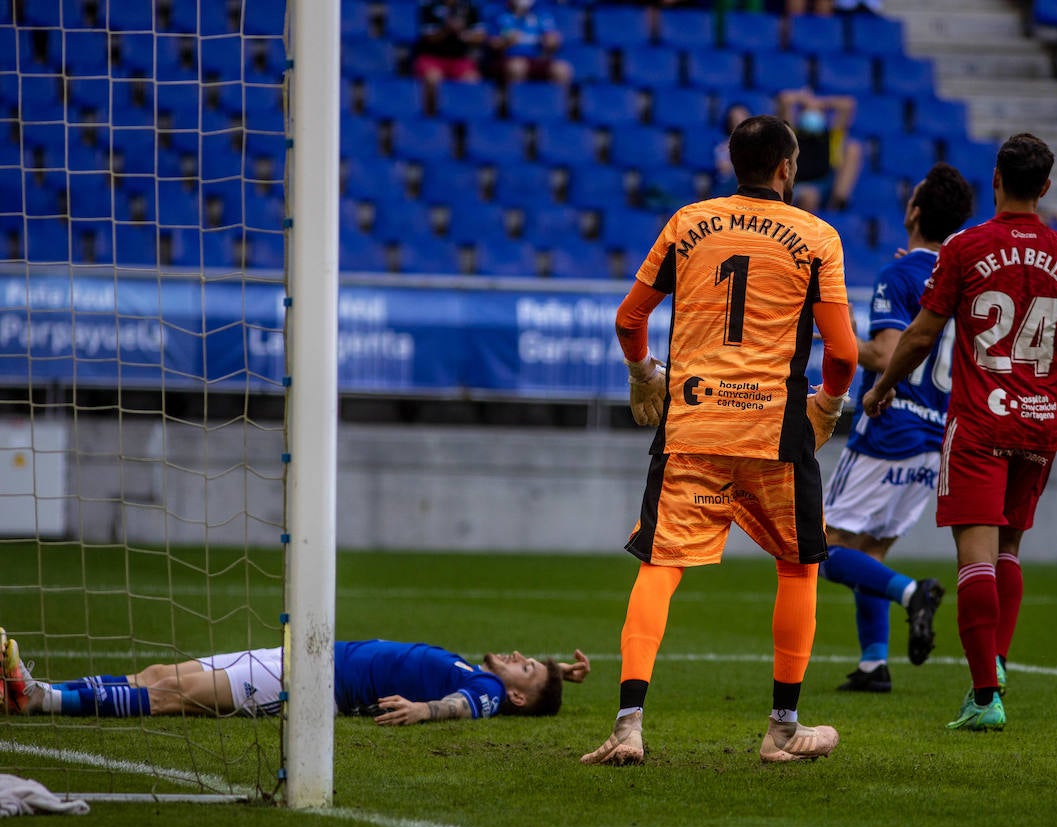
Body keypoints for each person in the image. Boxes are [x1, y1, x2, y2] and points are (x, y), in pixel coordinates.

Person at [582, 114, 859, 765]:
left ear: (734, 164)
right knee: (798, 566)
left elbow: (629, 319)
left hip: (693, 423)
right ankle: (782, 730)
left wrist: (643, 373)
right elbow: (844, 353)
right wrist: (826, 406)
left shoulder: (687, 223)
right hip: (775, 430)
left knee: (661, 566)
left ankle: (627, 726)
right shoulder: (817, 235)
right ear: (786, 168)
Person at [861, 133, 1057, 731]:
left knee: (974, 557)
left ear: (997, 179)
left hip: (981, 422)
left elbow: (920, 336)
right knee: (1009, 550)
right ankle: (998, 660)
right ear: (1046, 187)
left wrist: (882, 388)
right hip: (1039, 423)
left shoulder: (966, 247)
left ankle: (984, 696)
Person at [819, 164, 974, 694]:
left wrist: (839, 336)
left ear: (914, 212)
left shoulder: (900, 274)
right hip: (937, 436)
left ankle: (912, 594)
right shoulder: (963, 279)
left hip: (890, 426)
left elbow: (886, 355)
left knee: (823, 546)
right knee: (870, 551)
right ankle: (873, 665)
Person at [1, 627, 590, 724]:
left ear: (515, 694)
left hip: (308, 683)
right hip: (301, 657)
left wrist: (424, 710)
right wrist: (556, 672)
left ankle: (41, 700)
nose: (520, 654)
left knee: (172, 695)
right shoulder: (486, 676)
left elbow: (465, 706)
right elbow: (523, 684)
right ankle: (36, 690)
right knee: (157, 672)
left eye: (526, 666)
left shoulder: (486, 691)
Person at [778, 87, 865, 212]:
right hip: (798, 185)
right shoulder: (792, 134)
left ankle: (837, 204)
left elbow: (848, 105)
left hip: (824, 184)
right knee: (809, 196)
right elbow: (784, 100)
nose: (812, 114)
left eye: (817, 112)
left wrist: (822, 103)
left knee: (853, 148)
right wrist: (803, 99)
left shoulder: (832, 136)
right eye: (808, 111)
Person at [412, 1, 488, 111]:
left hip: (459, 59)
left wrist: (463, 34)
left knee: (472, 80)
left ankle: (463, 116)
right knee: (433, 78)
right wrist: (446, 30)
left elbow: (480, 36)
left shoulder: (469, 7)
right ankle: (431, 116)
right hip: (432, 57)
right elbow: (429, 37)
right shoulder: (429, 6)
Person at [488, 0, 572, 85]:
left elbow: (553, 39)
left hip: (538, 59)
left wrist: (552, 41)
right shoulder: (499, 15)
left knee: (561, 69)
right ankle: (516, 93)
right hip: (509, 58)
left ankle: (557, 94)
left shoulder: (541, 15)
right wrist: (506, 42)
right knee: (517, 67)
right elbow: (492, 44)